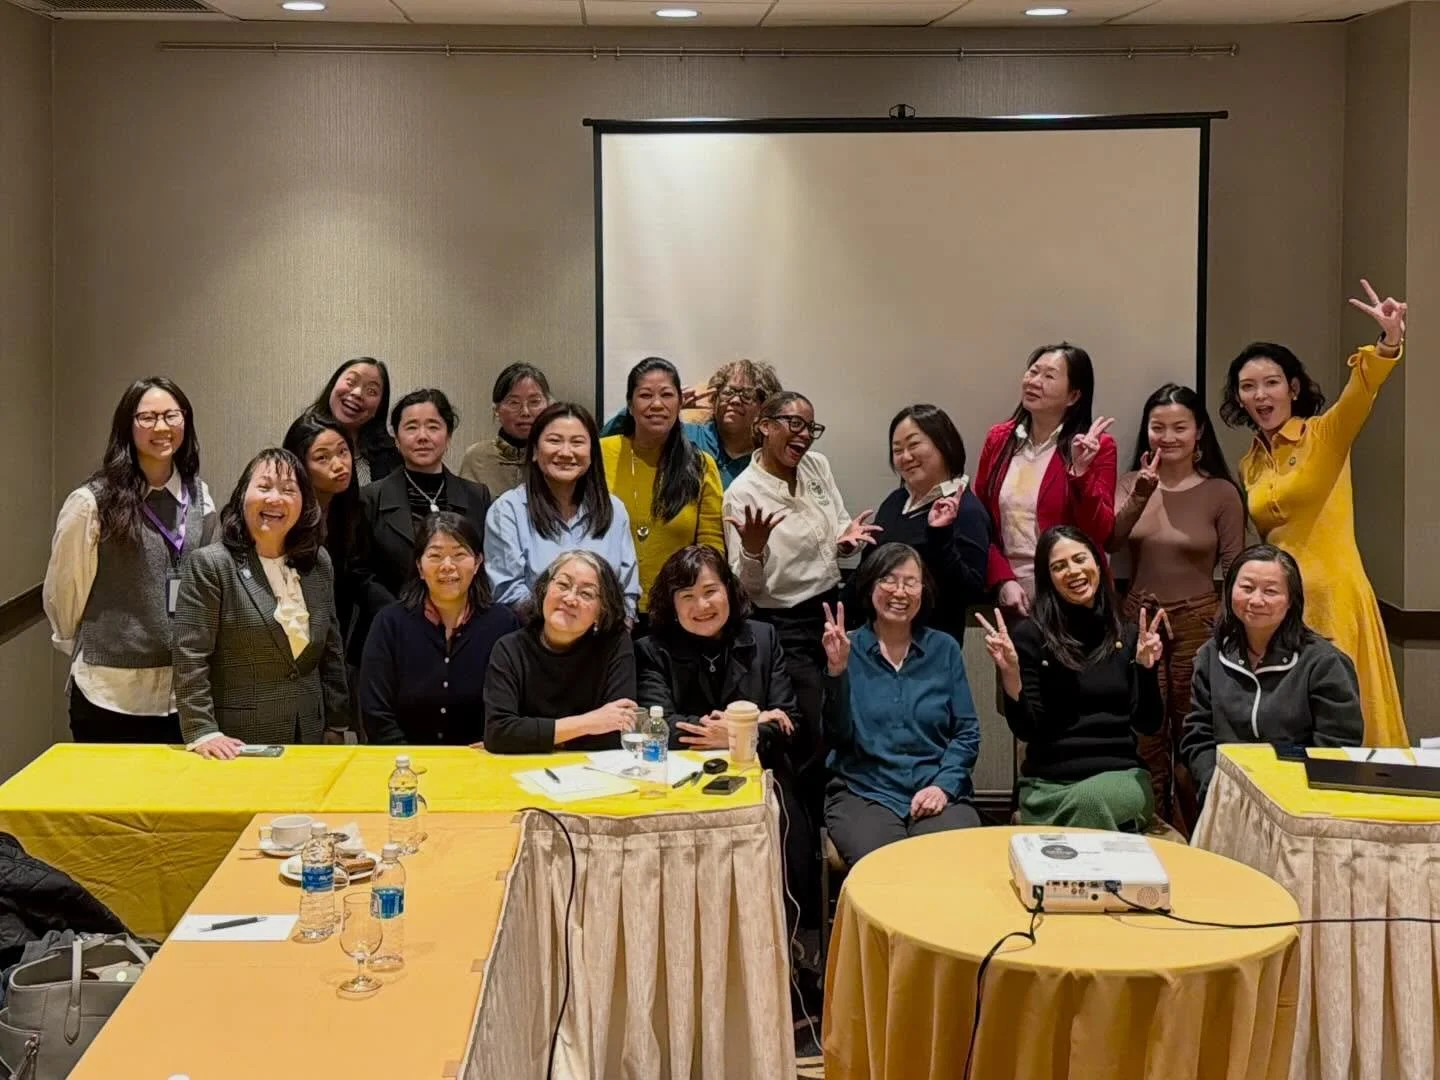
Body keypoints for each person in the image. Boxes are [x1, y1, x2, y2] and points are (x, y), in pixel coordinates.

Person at [1221, 279, 1407, 746]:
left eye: (1271, 383)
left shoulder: (1324, 435)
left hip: (1333, 598)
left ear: (1293, 387)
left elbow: (1362, 390)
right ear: (1239, 398)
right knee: (1289, 723)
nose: (1260, 394)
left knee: (1341, 725)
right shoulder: (1249, 463)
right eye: (1248, 387)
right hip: (1279, 604)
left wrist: (1388, 340)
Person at [43, 377, 218, 743]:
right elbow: (65, 591)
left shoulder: (200, 496)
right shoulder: (91, 502)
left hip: (182, 694)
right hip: (109, 693)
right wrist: (97, 643)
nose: (161, 427)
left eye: (171, 415)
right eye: (147, 417)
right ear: (128, 425)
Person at [1107, 383, 1245, 834]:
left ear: (1199, 431)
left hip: (1199, 621)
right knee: (1144, 733)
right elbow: (1111, 541)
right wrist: (1142, 492)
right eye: (1158, 427)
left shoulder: (1221, 491)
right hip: (1140, 617)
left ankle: (1196, 834)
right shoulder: (1131, 482)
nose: (1168, 437)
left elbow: (1235, 566)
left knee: (1192, 731)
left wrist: (1224, 625)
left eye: (1179, 427)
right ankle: (1151, 831)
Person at [722, 391, 881, 777]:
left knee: (840, 712)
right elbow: (746, 589)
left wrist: (846, 541)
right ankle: (798, 808)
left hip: (829, 610)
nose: (805, 435)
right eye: (795, 424)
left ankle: (835, 802)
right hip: (782, 623)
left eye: (811, 427)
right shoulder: (742, 493)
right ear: (764, 426)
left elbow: (838, 523)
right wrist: (753, 551)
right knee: (807, 726)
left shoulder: (816, 466)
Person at [978, 525, 1165, 832]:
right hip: (1047, 785)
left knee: (1090, 802)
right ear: (1048, 578)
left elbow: (1149, 723)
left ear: (1098, 564)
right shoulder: (1030, 636)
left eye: (1080, 559)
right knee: (1084, 807)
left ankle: (1060, 841)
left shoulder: (1129, 634)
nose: (1073, 571)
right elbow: (1027, 729)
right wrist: (1010, 673)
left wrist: (1146, 669)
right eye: (1059, 566)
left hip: (1120, 778)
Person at [172, 449, 352, 758]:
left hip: (311, 733)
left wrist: (337, 722)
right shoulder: (211, 565)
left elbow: (331, 649)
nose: (275, 499)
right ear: (243, 495)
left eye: (288, 490)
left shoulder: (317, 562)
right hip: (236, 742)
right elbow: (190, 656)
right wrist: (202, 731)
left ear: (304, 503)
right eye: (265, 487)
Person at [819, 543, 982, 865]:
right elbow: (836, 736)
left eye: (911, 582)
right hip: (864, 791)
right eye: (889, 580)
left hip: (935, 786)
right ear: (870, 586)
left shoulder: (944, 649)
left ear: (924, 590)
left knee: (947, 862)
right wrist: (836, 672)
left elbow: (966, 733)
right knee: (886, 866)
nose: (900, 591)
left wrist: (943, 787)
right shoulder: (846, 647)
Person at [1180, 545, 1364, 804]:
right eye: (1247, 588)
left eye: (1270, 591)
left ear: (1291, 600)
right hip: (1226, 795)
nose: (1256, 600)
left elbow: (1337, 748)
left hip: (1299, 799)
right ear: (1230, 590)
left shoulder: (1324, 663)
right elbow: (1198, 736)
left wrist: (1288, 794)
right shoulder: (1212, 655)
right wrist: (1214, 784)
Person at [973, 343, 1116, 616]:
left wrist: (1081, 474)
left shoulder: (1097, 446)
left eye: (1049, 376)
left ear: (1073, 395)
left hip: (1073, 588)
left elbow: (1100, 532)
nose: (1034, 381)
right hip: (1014, 592)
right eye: (1033, 371)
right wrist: (1002, 579)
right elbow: (982, 522)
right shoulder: (999, 439)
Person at [353, 388, 492, 660]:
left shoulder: (477, 496)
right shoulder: (370, 498)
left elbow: (484, 565)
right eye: (411, 427)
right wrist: (404, 615)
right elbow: (359, 574)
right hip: (390, 635)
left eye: (433, 426)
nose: (422, 436)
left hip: (464, 635)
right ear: (396, 439)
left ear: (448, 437)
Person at [359, 513, 520, 746]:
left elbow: (515, 706)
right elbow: (376, 712)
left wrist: (494, 745)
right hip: (403, 760)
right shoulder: (389, 623)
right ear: (419, 566)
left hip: (482, 758)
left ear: (477, 563)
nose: (447, 566)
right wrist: (408, 759)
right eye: (435, 556)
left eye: (459, 555)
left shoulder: (503, 623)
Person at [485, 402, 640, 617]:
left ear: (592, 453)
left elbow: (627, 593)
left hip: (605, 634)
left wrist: (617, 627)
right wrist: (566, 624)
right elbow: (508, 593)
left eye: (577, 442)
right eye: (554, 441)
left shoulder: (614, 509)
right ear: (535, 451)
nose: (566, 452)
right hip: (535, 633)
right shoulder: (507, 510)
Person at [600, 357, 724, 626]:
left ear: (680, 403)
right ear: (630, 405)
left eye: (667, 395)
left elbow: (711, 545)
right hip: (608, 608)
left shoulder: (701, 465)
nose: (657, 404)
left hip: (678, 612)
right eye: (645, 395)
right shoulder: (600, 454)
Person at [850, 404, 989, 643]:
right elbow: (867, 573)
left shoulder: (966, 510)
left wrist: (940, 536)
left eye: (913, 445)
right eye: (897, 450)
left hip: (927, 647)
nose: (905, 457)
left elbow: (968, 591)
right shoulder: (895, 501)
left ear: (944, 444)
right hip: (873, 641)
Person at [483, 550, 638, 753]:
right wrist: (590, 723)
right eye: (563, 585)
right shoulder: (510, 649)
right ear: (544, 589)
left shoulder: (615, 645)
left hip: (594, 768)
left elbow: (620, 731)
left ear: (602, 611)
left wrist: (533, 737)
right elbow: (498, 734)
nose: (570, 598)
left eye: (586, 594)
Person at [601, 357, 782, 488]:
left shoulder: (768, 456)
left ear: (765, 406)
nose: (735, 401)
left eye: (747, 395)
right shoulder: (685, 434)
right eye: (728, 392)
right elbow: (609, 443)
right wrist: (659, 406)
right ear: (715, 399)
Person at [282, 411, 362, 644]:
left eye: (343, 452)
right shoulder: (285, 515)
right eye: (323, 458)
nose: (339, 465)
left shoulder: (351, 509)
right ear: (300, 465)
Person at [459, 362, 550, 494]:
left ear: (548, 405)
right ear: (496, 410)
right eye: (514, 403)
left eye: (534, 402)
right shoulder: (477, 458)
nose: (525, 412)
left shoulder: (554, 455)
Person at [308, 357, 401, 486]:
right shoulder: (303, 440)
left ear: (379, 407)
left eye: (371, 391)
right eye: (351, 382)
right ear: (333, 385)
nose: (357, 393)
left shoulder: (391, 456)